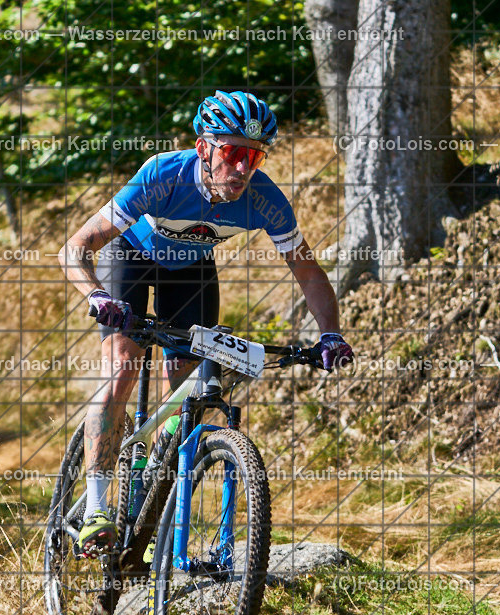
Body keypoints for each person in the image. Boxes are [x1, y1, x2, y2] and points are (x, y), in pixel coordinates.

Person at [58, 90, 354, 556]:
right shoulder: (162, 175)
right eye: (233, 153)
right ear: (203, 148)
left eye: (253, 156)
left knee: (185, 392)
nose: (243, 168)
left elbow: (308, 271)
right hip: (130, 258)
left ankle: (147, 502)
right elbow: (75, 247)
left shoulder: (264, 198)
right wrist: (95, 294)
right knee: (122, 366)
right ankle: (96, 504)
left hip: (191, 271)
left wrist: (331, 334)